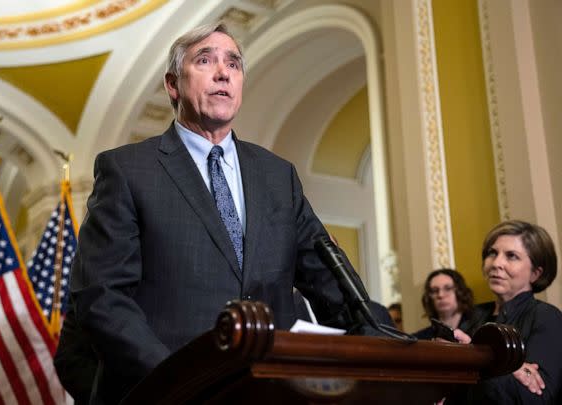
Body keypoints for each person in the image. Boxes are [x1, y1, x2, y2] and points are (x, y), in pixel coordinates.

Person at [55, 22, 357, 405]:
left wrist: (408, 346)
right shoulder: (128, 170)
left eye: (233, 64)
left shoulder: (278, 175)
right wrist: (181, 384)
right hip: (166, 396)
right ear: (172, 85)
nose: (222, 72)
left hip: (266, 394)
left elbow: (335, 285)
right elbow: (102, 297)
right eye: (204, 60)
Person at [454, 220, 562, 404]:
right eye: (492, 253)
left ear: (535, 273)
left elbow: (537, 397)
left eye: (511, 256)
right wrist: (511, 368)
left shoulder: (547, 317)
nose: (496, 263)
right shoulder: (474, 316)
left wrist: (479, 359)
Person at [413, 268, 474, 340]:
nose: (440, 295)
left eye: (448, 288)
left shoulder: (479, 329)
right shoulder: (419, 339)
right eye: (434, 291)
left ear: (460, 291)